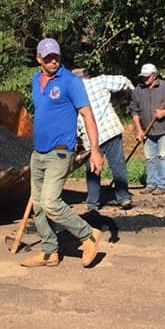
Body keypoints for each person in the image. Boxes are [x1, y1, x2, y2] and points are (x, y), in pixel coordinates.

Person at [21, 38, 105, 268]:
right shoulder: (35, 80)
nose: (53, 61)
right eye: (47, 57)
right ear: (39, 59)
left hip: (60, 152)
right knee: (38, 205)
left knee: (49, 202)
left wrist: (95, 150)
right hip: (38, 152)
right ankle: (49, 252)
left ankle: (88, 235)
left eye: (56, 56)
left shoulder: (70, 81)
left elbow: (88, 115)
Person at [72, 67, 134, 211]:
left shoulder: (73, 92)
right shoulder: (101, 81)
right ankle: (123, 198)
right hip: (110, 130)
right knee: (118, 165)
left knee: (93, 169)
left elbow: (74, 119)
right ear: (87, 76)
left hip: (89, 136)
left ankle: (93, 203)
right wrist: (130, 93)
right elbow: (124, 81)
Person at [129, 63, 165, 195]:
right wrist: (139, 130)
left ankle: (161, 185)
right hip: (147, 131)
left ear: (154, 75)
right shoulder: (138, 90)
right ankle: (150, 183)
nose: (145, 79)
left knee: (163, 156)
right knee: (149, 157)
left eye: (147, 77)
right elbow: (134, 111)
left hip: (164, 129)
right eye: (143, 77)